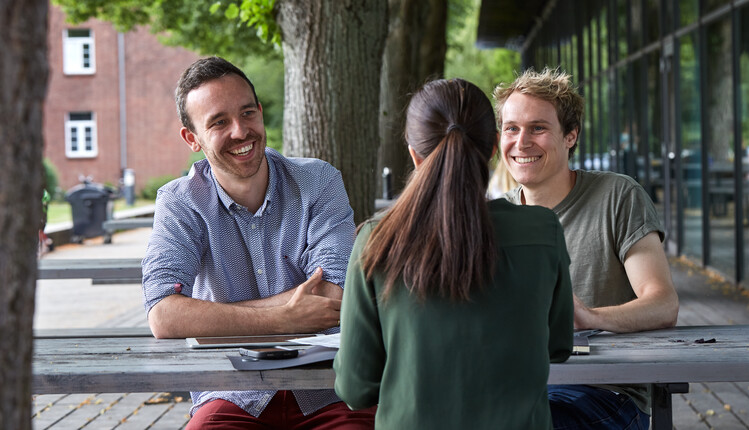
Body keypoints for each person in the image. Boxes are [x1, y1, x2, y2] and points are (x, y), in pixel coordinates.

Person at [141, 56, 375, 429]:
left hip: (329, 388)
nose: (240, 131)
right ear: (192, 139)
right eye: (219, 122)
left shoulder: (319, 181)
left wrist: (213, 316)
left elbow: (335, 295)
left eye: (247, 113)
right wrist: (283, 318)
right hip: (232, 393)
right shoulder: (180, 202)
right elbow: (164, 316)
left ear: (260, 112)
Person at [333, 78, 574, 429]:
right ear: (493, 147)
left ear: (414, 153)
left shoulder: (376, 240)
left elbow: (356, 389)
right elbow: (557, 345)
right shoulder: (542, 230)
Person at [494, 67, 679, 429]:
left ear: (571, 136)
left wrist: (590, 318)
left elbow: (663, 303)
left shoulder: (618, 196)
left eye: (538, 128)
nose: (522, 141)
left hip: (605, 392)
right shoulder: (493, 216)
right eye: (511, 128)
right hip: (518, 389)